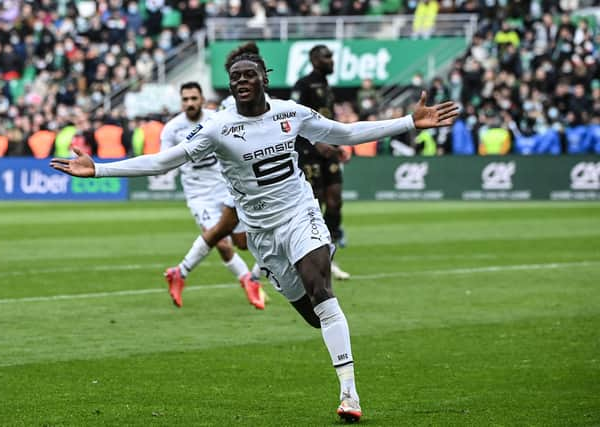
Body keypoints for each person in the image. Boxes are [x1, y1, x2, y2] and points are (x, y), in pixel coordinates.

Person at [50, 43, 459, 422]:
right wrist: (100, 168)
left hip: (300, 214)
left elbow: (345, 133)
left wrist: (409, 121)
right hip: (261, 234)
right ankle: (318, 323)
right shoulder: (217, 128)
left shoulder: (291, 113)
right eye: (235, 77)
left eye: (249, 75)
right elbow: (164, 161)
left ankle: (349, 394)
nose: (242, 81)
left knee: (321, 288)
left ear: (264, 77)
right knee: (314, 316)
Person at [160, 81, 264, 309]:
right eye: (185, 99)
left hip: (225, 188)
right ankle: (247, 280)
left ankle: (248, 280)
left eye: (193, 99)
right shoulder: (172, 128)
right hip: (199, 195)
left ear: (202, 99)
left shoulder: (215, 119)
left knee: (243, 243)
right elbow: (163, 160)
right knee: (222, 243)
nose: (189, 103)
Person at [291, 44, 350, 280]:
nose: (332, 61)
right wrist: (316, 144)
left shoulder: (326, 86)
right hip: (308, 153)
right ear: (315, 59)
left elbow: (329, 122)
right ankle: (308, 256)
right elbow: (294, 121)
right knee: (313, 205)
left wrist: (338, 145)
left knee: (335, 200)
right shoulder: (302, 86)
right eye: (327, 57)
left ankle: (330, 253)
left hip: (328, 153)